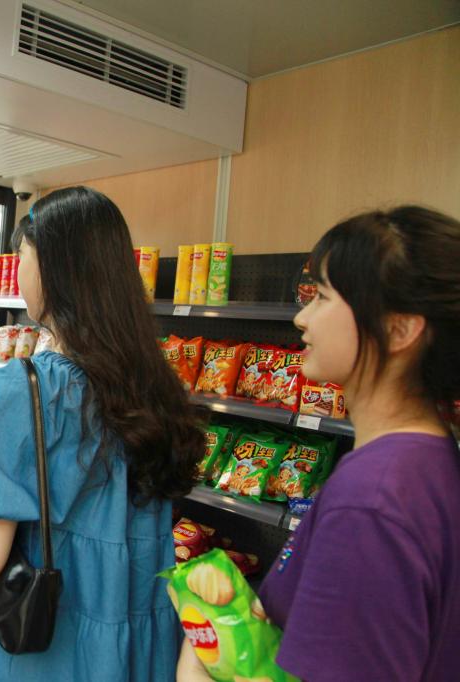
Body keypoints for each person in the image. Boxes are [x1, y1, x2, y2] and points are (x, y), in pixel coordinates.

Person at [0, 186, 203, 681]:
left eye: (23, 254)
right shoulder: (154, 388)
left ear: (52, 268)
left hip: (45, 654)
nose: (19, 269)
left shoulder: (21, 389)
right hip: (133, 647)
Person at [177, 206, 460, 682]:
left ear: (400, 328)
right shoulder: (426, 461)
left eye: (323, 297)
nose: (301, 317)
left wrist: (196, 669)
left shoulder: (372, 500)